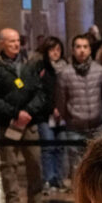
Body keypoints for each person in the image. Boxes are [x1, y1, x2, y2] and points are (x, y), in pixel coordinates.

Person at [0, 28, 48, 203]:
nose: (16, 44)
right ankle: (13, 202)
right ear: (2, 43)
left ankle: (35, 198)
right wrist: (15, 113)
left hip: (29, 121)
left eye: (18, 40)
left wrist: (29, 111)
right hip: (6, 123)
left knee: (34, 161)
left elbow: (40, 92)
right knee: (9, 164)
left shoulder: (29, 65)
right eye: (11, 41)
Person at [56, 34, 102, 174]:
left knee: (99, 167)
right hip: (75, 128)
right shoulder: (65, 73)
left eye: (85, 47)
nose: (82, 50)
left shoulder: (99, 70)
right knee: (77, 168)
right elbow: (61, 101)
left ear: (90, 50)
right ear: (73, 50)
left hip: (97, 126)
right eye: (78, 47)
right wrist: (70, 117)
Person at [32, 36, 67, 193]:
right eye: (52, 50)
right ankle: (48, 178)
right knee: (48, 147)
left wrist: (62, 109)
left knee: (61, 147)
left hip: (62, 115)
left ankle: (59, 179)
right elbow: (40, 92)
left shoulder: (65, 68)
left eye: (58, 49)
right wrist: (52, 108)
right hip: (45, 115)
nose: (55, 53)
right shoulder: (41, 69)